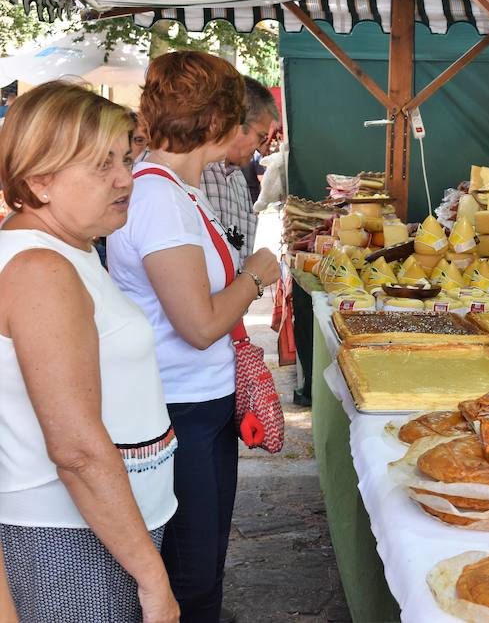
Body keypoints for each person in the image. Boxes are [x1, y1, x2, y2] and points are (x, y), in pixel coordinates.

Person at [107, 51, 280, 623]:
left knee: (200, 563)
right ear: (217, 122)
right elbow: (200, 325)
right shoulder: (159, 197)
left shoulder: (179, 189)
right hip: (180, 406)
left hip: (195, 401)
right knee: (191, 575)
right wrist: (257, 272)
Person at [0, 81, 179, 623]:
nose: (126, 177)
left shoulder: (64, 251)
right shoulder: (40, 269)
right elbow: (75, 449)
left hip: (100, 529)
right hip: (71, 542)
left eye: (126, 158)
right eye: (101, 165)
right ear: (39, 180)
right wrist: (153, 580)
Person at [200, 76, 277, 265]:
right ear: (236, 123)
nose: (260, 147)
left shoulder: (237, 179)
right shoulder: (192, 174)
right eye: (260, 136)